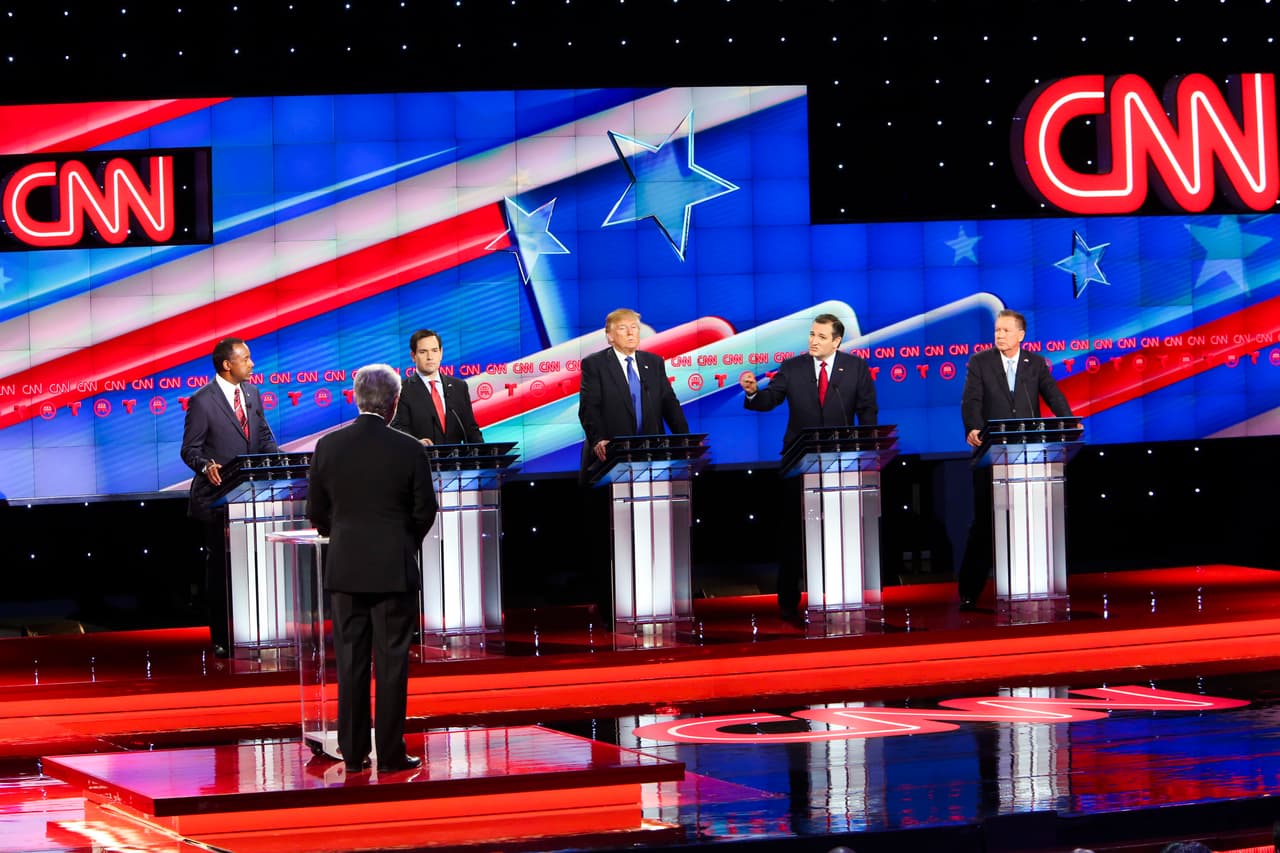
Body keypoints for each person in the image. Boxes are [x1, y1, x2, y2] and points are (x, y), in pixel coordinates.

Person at [307, 363, 437, 774]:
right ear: (395, 403)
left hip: (345, 569)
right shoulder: (410, 448)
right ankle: (392, 753)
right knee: (392, 662)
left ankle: (354, 753)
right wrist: (400, 543)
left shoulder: (328, 446)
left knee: (350, 661)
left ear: (355, 396)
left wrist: (343, 537)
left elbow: (317, 512)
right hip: (394, 570)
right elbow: (424, 511)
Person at [739, 313, 877, 615]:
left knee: (842, 530)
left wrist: (865, 452)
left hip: (842, 464)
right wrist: (752, 392)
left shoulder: (855, 368)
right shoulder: (793, 367)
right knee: (793, 534)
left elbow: (868, 411)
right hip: (798, 464)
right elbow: (769, 399)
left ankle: (844, 594)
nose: (814, 341)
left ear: (837, 341)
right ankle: (789, 602)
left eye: (821, 336)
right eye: (812, 334)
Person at [958, 309, 1073, 609]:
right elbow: (971, 400)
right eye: (997, 330)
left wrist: (1068, 421)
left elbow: (1053, 394)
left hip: (1028, 456)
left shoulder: (1035, 364)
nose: (999, 335)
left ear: (1021, 335)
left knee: (1029, 520)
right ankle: (969, 593)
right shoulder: (980, 363)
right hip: (991, 457)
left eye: (1006, 331)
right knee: (984, 525)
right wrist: (972, 426)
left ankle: (1032, 584)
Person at [180, 337, 279, 657]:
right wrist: (206, 464)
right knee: (222, 573)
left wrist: (278, 465)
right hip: (218, 501)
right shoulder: (202, 401)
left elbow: (262, 437)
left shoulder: (252, 393)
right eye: (246, 358)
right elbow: (189, 450)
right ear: (227, 364)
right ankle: (222, 637)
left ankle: (257, 630)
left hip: (254, 499)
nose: (252, 364)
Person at [578, 308, 689, 481]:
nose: (630, 333)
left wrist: (685, 440)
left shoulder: (654, 362)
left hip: (651, 454)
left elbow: (670, 404)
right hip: (611, 456)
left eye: (634, 327)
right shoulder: (595, 364)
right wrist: (599, 439)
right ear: (610, 336)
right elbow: (589, 407)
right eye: (622, 328)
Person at [390, 329, 484, 445]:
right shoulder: (402, 390)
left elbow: (471, 430)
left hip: (456, 461)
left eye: (434, 351)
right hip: (421, 460)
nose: (430, 357)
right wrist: (416, 443)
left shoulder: (459, 387)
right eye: (423, 352)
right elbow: (398, 430)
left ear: (441, 353)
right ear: (413, 356)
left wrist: (486, 458)